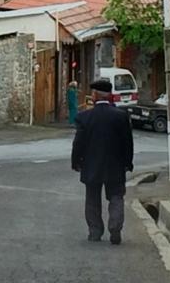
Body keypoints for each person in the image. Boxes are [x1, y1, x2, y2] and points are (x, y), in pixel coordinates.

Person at [71, 78, 134, 245]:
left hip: (91, 164)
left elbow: (79, 142)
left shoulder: (84, 117)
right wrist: (128, 162)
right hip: (116, 164)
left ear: (94, 95)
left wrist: (76, 161)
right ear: (109, 95)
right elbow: (128, 142)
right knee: (116, 196)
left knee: (92, 197)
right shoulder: (121, 116)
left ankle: (95, 231)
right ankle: (115, 228)